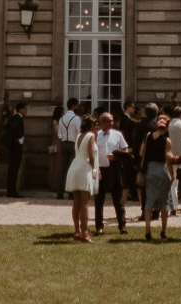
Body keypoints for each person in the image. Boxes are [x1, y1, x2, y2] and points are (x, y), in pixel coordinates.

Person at [93, 111, 131, 235]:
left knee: (118, 199)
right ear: (101, 122)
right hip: (100, 169)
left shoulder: (117, 134)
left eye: (111, 121)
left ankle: (122, 226)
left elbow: (125, 149)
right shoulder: (95, 135)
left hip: (114, 169)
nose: (110, 123)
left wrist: (116, 155)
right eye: (108, 121)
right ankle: (99, 226)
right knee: (99, 200)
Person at [64, 114, 100, 243]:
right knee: (85, 202)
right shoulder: (91, 135)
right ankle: (85, 232)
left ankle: (77, 230)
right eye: (96, 125)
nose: (97, 127)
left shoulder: (79, 135)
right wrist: (94, 170)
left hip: (75, 166)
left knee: (77, 201)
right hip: (84, 167)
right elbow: (91, 155)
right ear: (91, 125)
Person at [140, 112, 174, 240]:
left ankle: (147, 231)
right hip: (162, 170)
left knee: (149, 202)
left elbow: (140, 153)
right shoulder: (167, 141)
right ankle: (163, 231)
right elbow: (168, 159)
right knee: (164, 202)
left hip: (150, 170)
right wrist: (172, 175)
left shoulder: (148, 136)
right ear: (166, 127)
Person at [55, 101, 82, 200]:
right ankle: (71, 193)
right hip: (73, 144)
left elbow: (59, 135)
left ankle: (60, 193)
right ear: (74, 106)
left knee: (62, 169)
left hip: (64, 143)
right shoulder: (76, 118)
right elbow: (79, 132)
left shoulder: (62, 119)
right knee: (72, 169)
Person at [1, 102, 27, 199]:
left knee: (12, 169)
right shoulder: (18, 118)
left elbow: (6, 127)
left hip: (13, 146)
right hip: (16, 146)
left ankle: (10, 190)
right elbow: (13, 129)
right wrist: (17, 138)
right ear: (20, 109)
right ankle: (12, 191)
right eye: (25, 109)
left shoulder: (14, 117)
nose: (26, 111)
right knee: (14, 169)